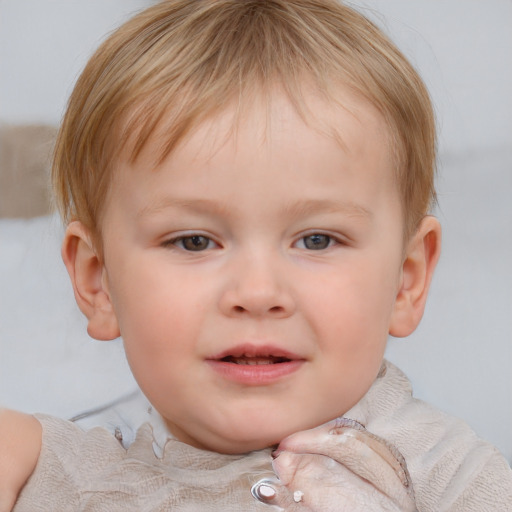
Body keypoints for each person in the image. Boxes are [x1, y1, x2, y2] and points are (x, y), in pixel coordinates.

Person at [1, 0, 511, 510]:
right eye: (194, 241)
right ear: (99, 282)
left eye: (317, 240)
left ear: (406, 280)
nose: (258, 293)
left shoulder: (449, 481)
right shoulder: (60, 471)